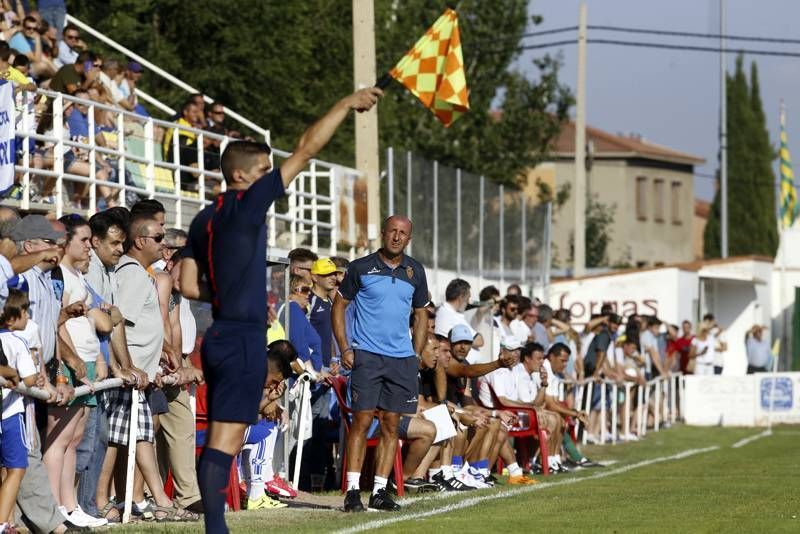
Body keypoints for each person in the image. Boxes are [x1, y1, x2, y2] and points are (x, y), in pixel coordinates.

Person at [180, 86, 382, 532]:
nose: (274, 177)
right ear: (243, 175)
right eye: (266, 171)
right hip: (244, 335)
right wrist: (346, 104)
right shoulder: (249, 203)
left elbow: (188, 284)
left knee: (221, 432)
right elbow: (308, 147)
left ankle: (217, 524)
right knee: (226, 437)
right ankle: (216, 528)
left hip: (215, 337)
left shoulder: (201, 219)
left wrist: (227, 291)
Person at [332, 215, 428, 512]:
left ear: (408, 238)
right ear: (383, 233)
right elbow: (339, 307)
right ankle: (351, 491)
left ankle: (379, 491)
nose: (397, 237)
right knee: (361, 421)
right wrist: (345, 347)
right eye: (392, 231)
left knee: (391, 425)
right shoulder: (360, 267)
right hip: (368, 357)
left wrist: (416, 353)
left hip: (401, 360)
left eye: (403, 233)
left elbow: (422, 313)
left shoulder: (415, 270)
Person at [110, 217, 197, 521]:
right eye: (159, 238)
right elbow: (118, 323)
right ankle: (109, 502)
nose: (164, 247)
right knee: (114, 442)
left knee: (142, 436)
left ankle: (152, 499)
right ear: (140, 241)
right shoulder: (135, 276)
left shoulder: (142, 276)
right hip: (132, 377)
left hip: (144, 376)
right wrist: (129, 365)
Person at [0, 289, 38, 531]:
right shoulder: (16, 341)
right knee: (16, 468)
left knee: (3, 471)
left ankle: (9, 520)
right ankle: (2, 522)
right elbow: (30, 379)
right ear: (16, 315)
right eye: (26, 313)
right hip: (10, 413)